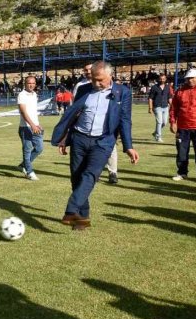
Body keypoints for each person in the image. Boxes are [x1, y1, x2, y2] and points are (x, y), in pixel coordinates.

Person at [51, 61, 139, 231]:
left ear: (110, 75)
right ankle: (82, 219)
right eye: (93, 80)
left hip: (103, 141)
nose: (96, 83)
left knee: (90, 175)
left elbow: (125, 120)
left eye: (100, 80)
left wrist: (128, 146)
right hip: (79, 138)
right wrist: (66, 138)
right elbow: (74, 114)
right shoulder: (84, 89)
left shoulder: (123, 93)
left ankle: (71, 208)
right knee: (76, 178)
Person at [169, 68, 196, 182]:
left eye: (192, 78)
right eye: (188, 78)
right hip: (182, 127)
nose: (190, 80)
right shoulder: (180, 91)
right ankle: (182, 173)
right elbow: (173, 109)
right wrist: (173, 122)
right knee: (182, 152)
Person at [17, 77, 44, 180]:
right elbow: (23, 112)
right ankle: (29, 171)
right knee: (27, 150)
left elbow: (33, 111)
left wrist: (37, 124)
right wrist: (32, 125)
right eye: (29, 83)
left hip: (35, 126)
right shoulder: (21, 95)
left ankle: (23, 165)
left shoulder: (34, 94)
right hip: (25, 127)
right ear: (25, 84)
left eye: (33, 83)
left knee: (39, 148)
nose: (31, 85)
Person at [148, 73, 173, 142]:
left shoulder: (168, 87)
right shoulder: (154, 87)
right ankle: (158, 137)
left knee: (164, 122)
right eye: (161, 79)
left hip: (165, 107)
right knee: (159, 122)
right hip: (157, 107)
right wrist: (150, 108)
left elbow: (170, 98)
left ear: (165, 79)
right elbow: (150, 98)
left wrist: (172, 106)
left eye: (163, 79)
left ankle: (155, 132)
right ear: (158, 79)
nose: (162, 80)